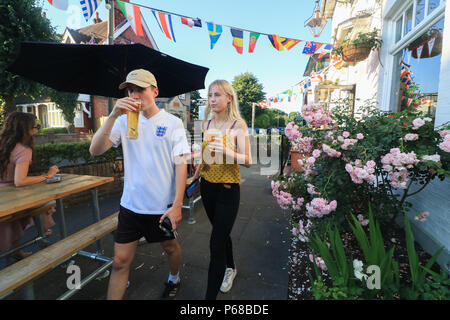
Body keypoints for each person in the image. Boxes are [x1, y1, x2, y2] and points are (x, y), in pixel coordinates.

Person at [89, 69, 189, 300]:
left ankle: (174, 277)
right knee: (119, 261)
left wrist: (177, 205)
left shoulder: (172, 123)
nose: (134, 94)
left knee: (170, 248)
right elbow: (95, 150)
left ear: (154, 91)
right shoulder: (123, 121)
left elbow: (181, 163)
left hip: (161, 208)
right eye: (130, 90)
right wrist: (113, 114)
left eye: (140, 89)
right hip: (131, 206)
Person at [192, 79, 252, 300]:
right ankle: (231, 267)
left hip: (228, 190)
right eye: (210, 95)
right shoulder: (207, 125)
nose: (213, 99)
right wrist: (196, 174)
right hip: (207, 188)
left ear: (229, 98)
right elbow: (206, 156)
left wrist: (227, 151)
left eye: (217, 95)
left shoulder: (238, 125)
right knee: (221, 232)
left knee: (215, 243)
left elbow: (248, 160)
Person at [0, 112, 58, 259]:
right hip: (12, 194)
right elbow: (20, 181)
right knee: (46, 202)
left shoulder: (3, 144)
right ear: (25, 129)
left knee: (14, 219)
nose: (37, 130)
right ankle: (44, 231)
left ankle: (16, 249)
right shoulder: (23, 149)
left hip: (3, 195)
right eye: (35, 127)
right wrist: (47, 176)